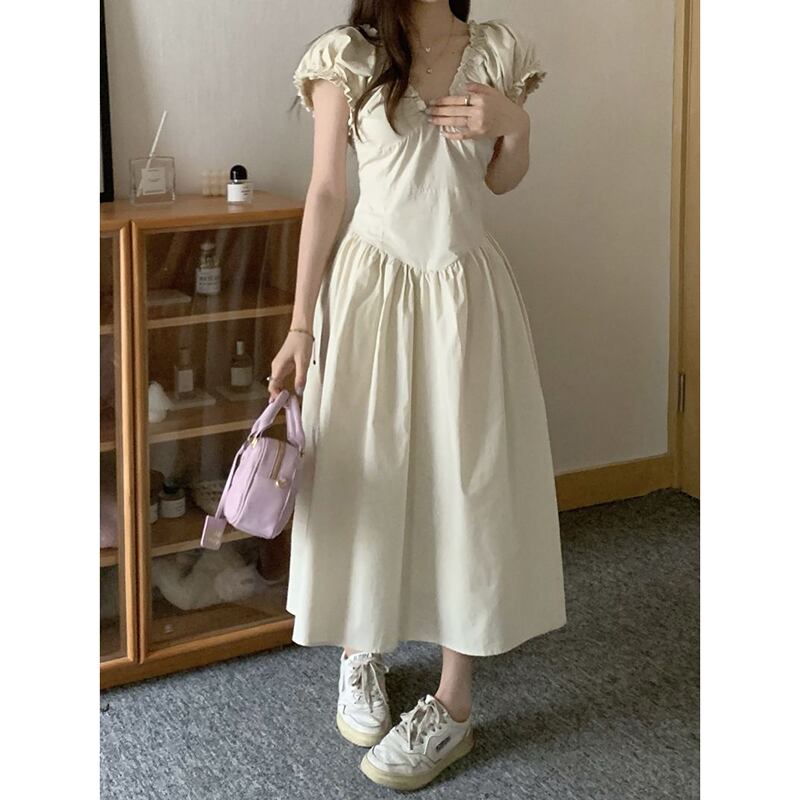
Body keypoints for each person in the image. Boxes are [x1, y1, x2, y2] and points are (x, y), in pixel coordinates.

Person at [268, 0, 567, 791]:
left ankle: (453, 702)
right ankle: (360, 649)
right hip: (371, 289)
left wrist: (514, 125)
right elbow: (326, 191)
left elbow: (500, 179)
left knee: (468, 481)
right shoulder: (348, 56)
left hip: (465, 289)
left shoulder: (496, 51)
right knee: (368, 473)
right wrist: (300, 324)